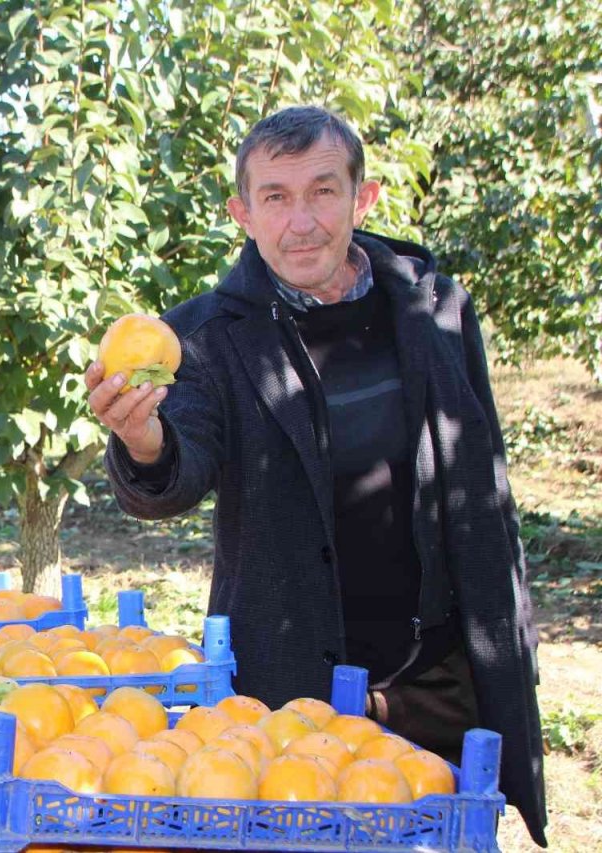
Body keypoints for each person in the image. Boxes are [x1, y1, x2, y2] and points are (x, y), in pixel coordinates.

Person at [86, 106, 546, 845]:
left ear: (363, 198)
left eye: (323, 191)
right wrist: (143, 438)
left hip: (439, 679)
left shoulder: (437, 311)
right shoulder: (207, 340)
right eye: (275, 197)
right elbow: (178, 466)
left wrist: (507, 639)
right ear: (243, 212)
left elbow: (483, 481)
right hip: (289, 691)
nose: (301, 221)